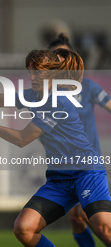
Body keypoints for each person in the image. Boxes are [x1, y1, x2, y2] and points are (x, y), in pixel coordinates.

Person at [0, 48, 111, 246]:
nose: (32, 76)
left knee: (103, 228)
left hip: (86, 172)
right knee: (24, 229)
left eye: (37, 72)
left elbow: (22, 139)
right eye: (29, 71)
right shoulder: (31, 95)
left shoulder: (59, 101)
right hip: (59, 179)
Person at [49, 33, 111, 247]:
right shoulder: (46, 91)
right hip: (64, 164)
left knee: (91, 219)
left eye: (64, 56)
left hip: (87, 163)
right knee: (77, 217)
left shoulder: (88, 86)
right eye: (55, 57)